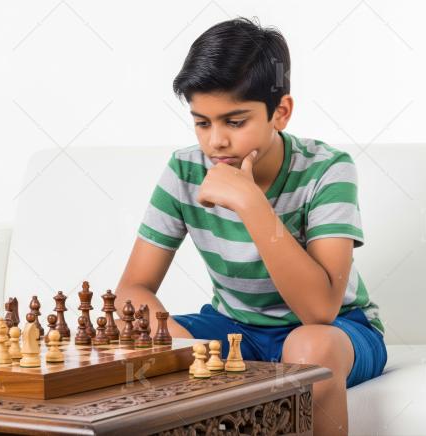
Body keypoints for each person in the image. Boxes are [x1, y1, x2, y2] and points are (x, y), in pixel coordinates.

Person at [115, 16, 386, 435]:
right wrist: (172, 343)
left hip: (336, 329)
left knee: (309, 347)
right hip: (235, 328)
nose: (215, 142)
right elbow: (133, 289)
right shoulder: (185, 169)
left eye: (235, 122)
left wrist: (251, 203)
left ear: (281, 112)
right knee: (137, 335)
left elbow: (319, 309)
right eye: (202, 122)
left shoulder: (329, 170)